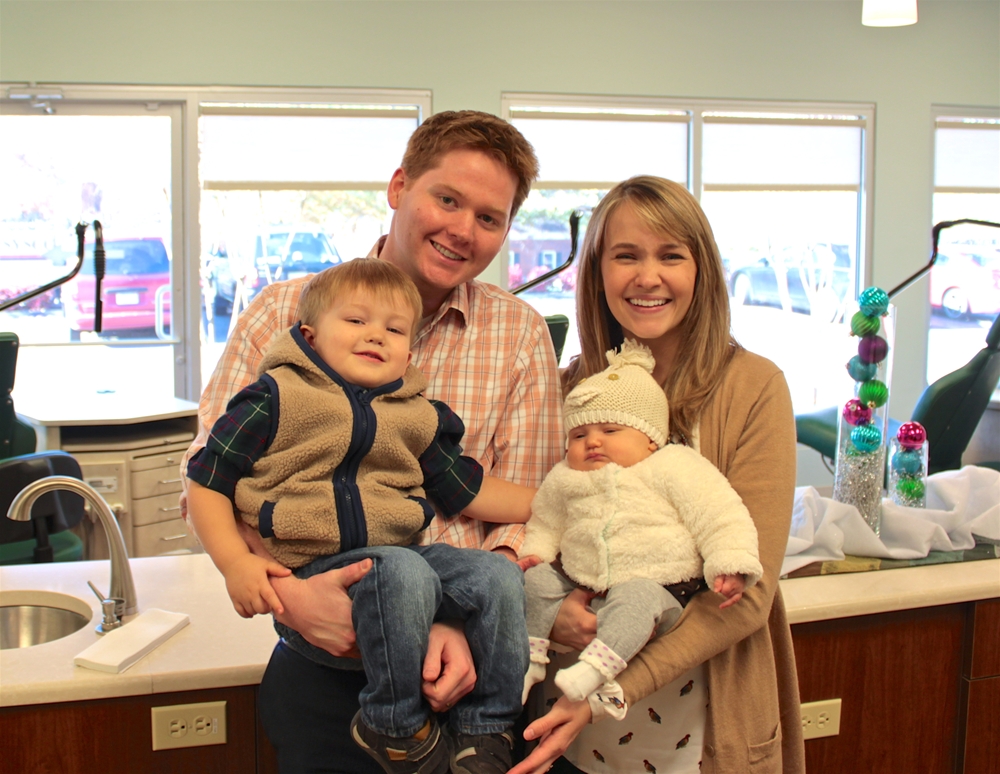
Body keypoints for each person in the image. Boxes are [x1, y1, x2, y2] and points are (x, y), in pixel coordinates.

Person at [180, 110, 565, 774]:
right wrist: (289, 594)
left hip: (465, 669)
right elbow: (209, 479)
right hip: (320, 659)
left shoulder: (521, 336)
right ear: (398, 187)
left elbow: (512, 516)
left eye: (489, 218)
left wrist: (465, 622)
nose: (462, 230)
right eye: (447, 199)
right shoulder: (285, 311)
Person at [188, 259, 535, 773]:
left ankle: (486, 728)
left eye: (394, 330)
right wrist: (234, 562)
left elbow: (466, 488)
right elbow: (207, 478)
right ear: (310, 335)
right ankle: (392, 725)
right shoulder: (275, 397)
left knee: (498, 574)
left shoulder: (416, 414)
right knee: (401, 569)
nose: (376, 336)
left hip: (396, 563)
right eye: (356, 322)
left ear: (409, 351)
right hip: (314, 573)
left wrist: (555, 501)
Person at [509, 176, 804, 774]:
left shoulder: (753, 388)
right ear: (596, 273)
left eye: (671, 254)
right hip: (563, 731)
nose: (648, 277)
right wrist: (546, 610)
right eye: (625, 256)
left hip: (693, 732)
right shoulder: (573, 391)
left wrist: (606, 690)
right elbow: (542, 525)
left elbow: (749, 593)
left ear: (703, 271)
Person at [519, 339, 762, 708]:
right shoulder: (565, 476)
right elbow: (547, 519)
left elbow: (719, 514)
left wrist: (729, 562)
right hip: (582, 578)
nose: (593, 442)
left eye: (611, 431)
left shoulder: (673, 465)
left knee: (636, 598)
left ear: (650, 440)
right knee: (533, 581)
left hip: (658, 584)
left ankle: (594, 671)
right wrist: (536, 553)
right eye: (579, 435)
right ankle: (531, 658)